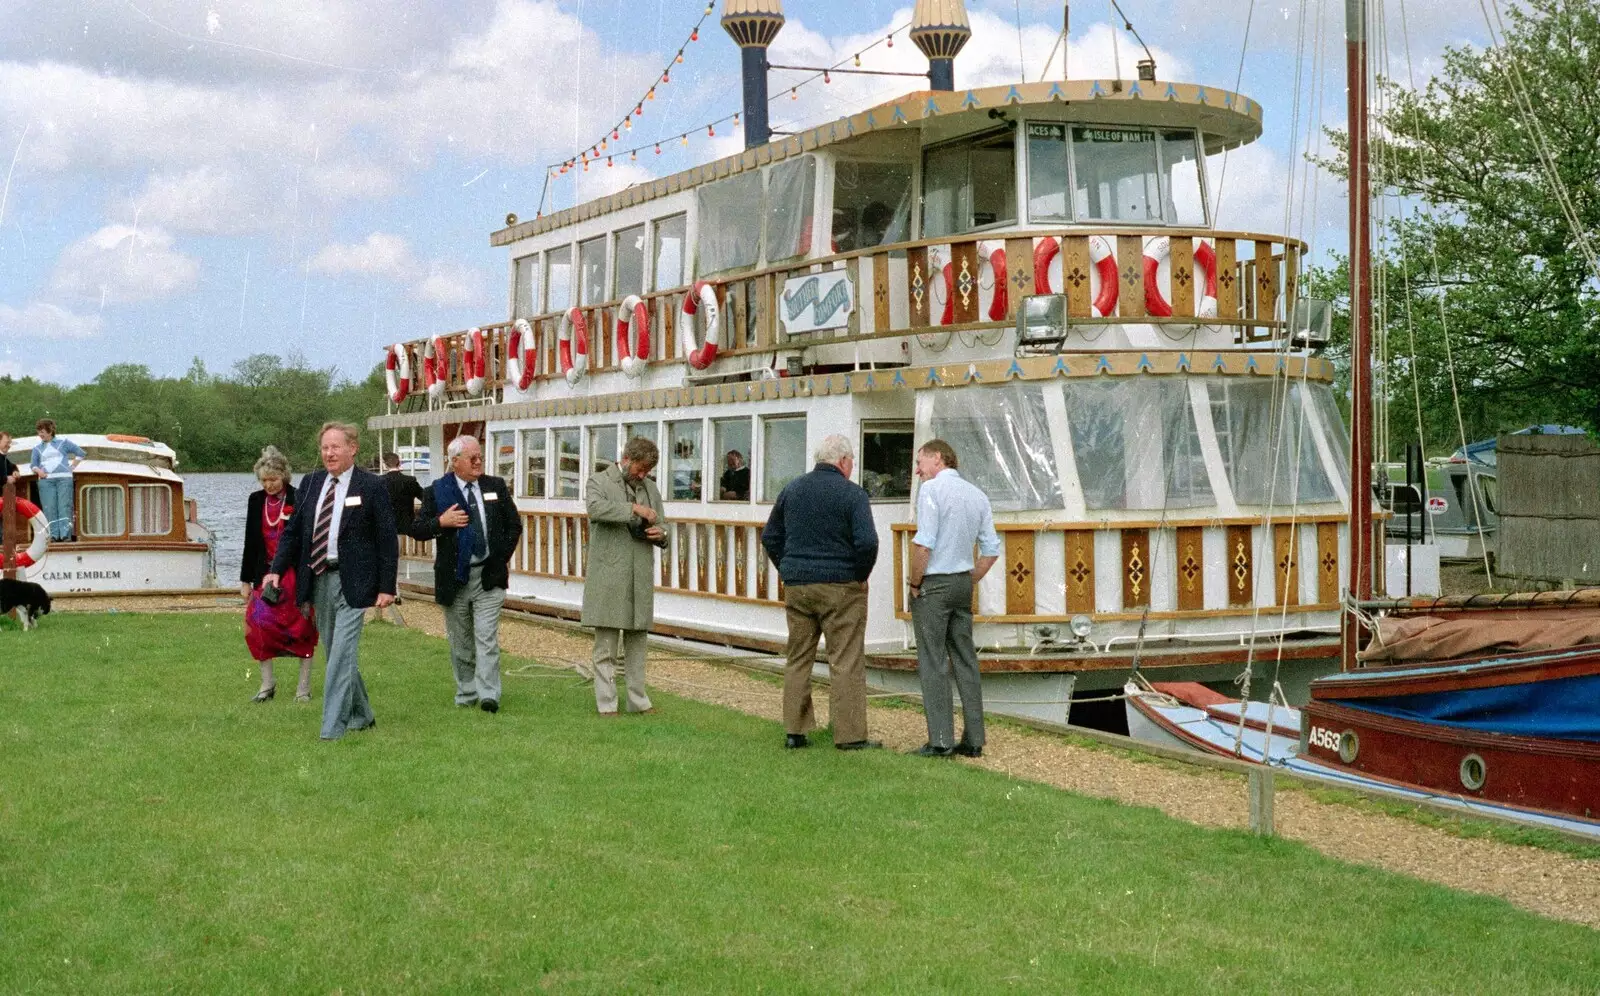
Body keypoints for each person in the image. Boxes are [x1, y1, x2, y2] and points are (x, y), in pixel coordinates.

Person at [261, 422, 398, 741]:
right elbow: (293, 531)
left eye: (335, 447)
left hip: (357, 581)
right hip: (320, 577)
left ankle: (332, 727)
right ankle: (362, 714)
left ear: (353, 448)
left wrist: (387, 586)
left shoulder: (372, 486)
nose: (329, 453)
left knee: (341, 653)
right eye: (325, 447)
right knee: (336, 651)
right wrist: (276, 569)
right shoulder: (311, 482)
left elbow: (387, 539)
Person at [762, 433, 881, 751]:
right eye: (852, 461)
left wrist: (787, 568)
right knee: (845, 659)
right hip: (841, 585)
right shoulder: (853, 494)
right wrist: (860, 574)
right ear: (843, 461)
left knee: (798, 657)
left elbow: (771, 535)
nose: (852, 466)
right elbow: (867, 542)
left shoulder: (792, 488)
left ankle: (794, 732)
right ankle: (850, 735)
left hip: (798, 585)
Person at [407, 436, 521, 712]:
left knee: (486, 637)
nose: (479, 461)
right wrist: (441, 522)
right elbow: (418, 529)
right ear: (454, 461)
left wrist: (500, 559)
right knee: (461, 642)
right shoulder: (436, 491)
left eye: (480, 456)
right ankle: (467, 692)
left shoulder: (494, 486)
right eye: (472, 458)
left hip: (488, 576)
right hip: (454, 578)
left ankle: (488, 695)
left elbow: (513, 525)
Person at [906, 439, 1000, 758]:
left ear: (938, 459)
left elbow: (924, 544)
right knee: (965, 659)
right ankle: (974, 738)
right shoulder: (977, 494)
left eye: (920, 462)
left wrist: (914, 581)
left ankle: (941, 740)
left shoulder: (931, 491)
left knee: (933, 660)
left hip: (935, 582)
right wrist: (969, 577)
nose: (918, 470)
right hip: (962, 581)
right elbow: (991, 550)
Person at [582, 436, 667, 716]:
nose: (642, 476)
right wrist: (633, 508)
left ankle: (638, 701)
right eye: (639, 469)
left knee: (637, 644)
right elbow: (595, 509)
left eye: (647, 472)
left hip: (639, 574)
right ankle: (607, 705)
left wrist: (661, 534)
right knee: (605, 646)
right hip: (608, 575)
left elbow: (663, 523)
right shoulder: (598, 481)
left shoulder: (650, 488)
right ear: (626, 459)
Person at [240, 446, 318, 703]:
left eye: (273, 479)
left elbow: (306, 540)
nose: (269, 485)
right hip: (264, 575)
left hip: (295, 575)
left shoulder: (299, 497)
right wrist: (245, 580)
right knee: (259, 624)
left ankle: (303, 689)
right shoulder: (255, 500)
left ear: (284, 476)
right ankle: (267, 684)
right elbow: (250, 542)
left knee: (302, 628)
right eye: (264, 480)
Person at [30, 419, 85, 541]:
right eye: (39, 432)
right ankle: (53, 536)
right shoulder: (37, 448)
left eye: (43, 431)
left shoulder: (63, 442)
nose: (40, 434)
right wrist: (39, 471)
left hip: (64, 479)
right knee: (49, 507)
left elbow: (80, 453)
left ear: (50, 431)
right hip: (46, 481)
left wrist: (72, 467)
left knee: (64, 506)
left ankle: (66, 535)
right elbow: (33, 465)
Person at [381, 451, 425, 536]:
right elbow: (425, 498)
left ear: (385, 465)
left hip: (386, 527)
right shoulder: (410, 480)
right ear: (399, 463)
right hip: (407, 527)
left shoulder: (380, 481)